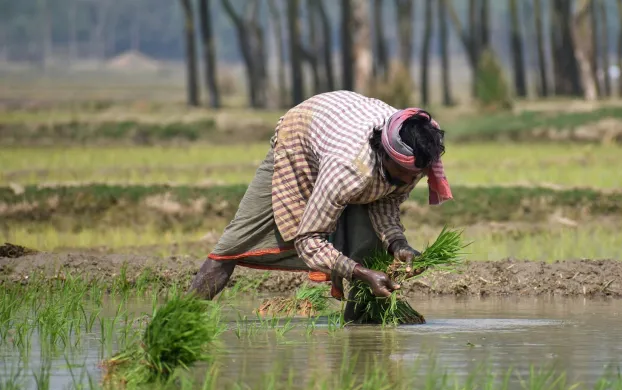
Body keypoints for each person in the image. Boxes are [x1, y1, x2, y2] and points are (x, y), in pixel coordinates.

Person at [187, 90, 451, 320]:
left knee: (371, 246)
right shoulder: (347, 169)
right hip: (301, 136)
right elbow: (309, 239)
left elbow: (386, 200)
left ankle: (359, 330)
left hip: (340, 124)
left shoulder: (412, 158)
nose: (407, 181)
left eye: (414, 176)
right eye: (402, 174)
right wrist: (361, 274)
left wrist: (398, 244)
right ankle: (181, 317)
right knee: (234, 243)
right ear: (384, 154)